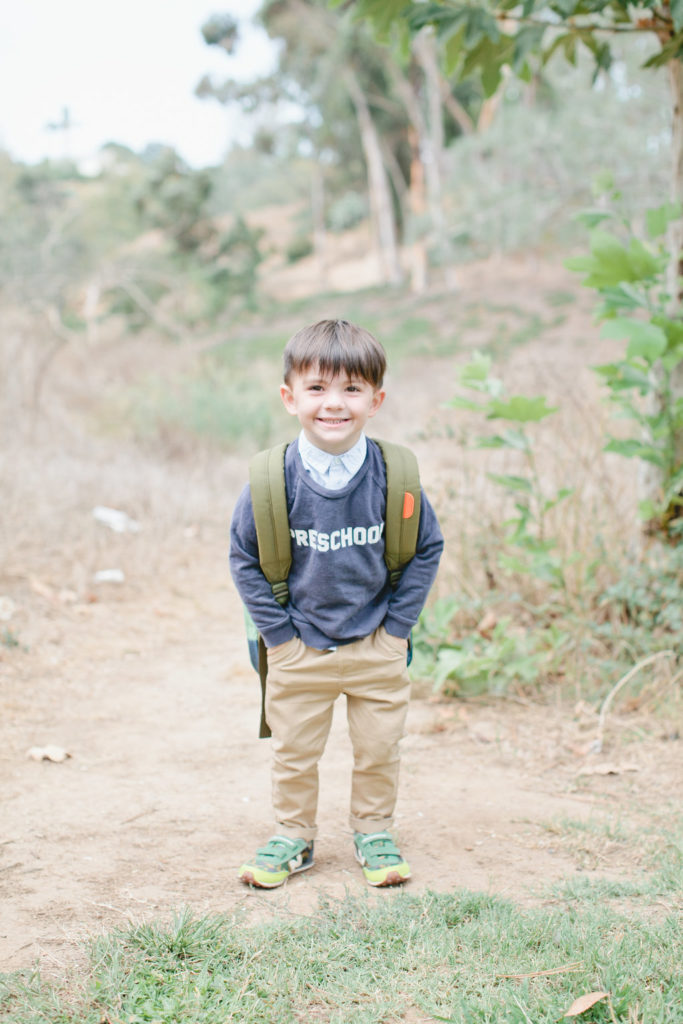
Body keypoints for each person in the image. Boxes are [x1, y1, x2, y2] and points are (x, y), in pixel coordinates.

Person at [229, 319, 443, 888]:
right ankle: (293, 836)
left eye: (351, 389)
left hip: (377, 646)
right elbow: (243, 557)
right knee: (294, 753)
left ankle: (373, 831)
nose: (334, 403)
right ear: (290, 397)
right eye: (317, 388)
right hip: (299, 648)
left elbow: (427, 547)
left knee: (379, 748)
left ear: (376, 400)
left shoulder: (394, 475)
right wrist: (278, 638)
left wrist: (397, 630)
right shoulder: (272, 480)